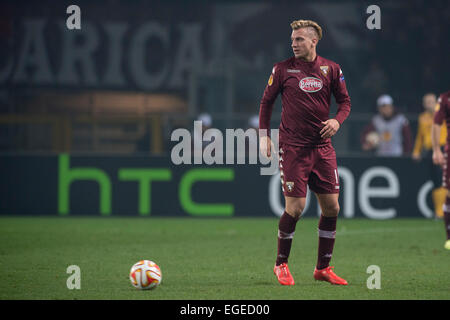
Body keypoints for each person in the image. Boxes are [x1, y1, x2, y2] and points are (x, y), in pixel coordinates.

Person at [259, 19, 351, 286]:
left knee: (332, 207)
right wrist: (265, 136)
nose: (293, 43)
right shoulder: (282, 69)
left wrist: (337, 121)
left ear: (314, 41)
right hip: (293, 148)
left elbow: (345, 102)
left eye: (299, 39)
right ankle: (281, 265)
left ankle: (323, 268)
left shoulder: (331, 69)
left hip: (322, 148)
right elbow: (266, 102)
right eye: (292, 39)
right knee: (296, 208)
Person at [412, 93, 447, 218]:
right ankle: (439, 211)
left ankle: (441, 212)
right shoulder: (423, 118)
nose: (429, 104)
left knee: (442, 179)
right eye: (426, 102)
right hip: (429, 150)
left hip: (443, 148)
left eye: (431, 101)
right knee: (436, 180)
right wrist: (416, 151)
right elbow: (420, 137)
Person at [431, 90, 450, 250]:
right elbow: (436, 123)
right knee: (447, 191)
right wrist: (436, 149)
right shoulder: (444, 98)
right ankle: (449, 237)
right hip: (448, 150)